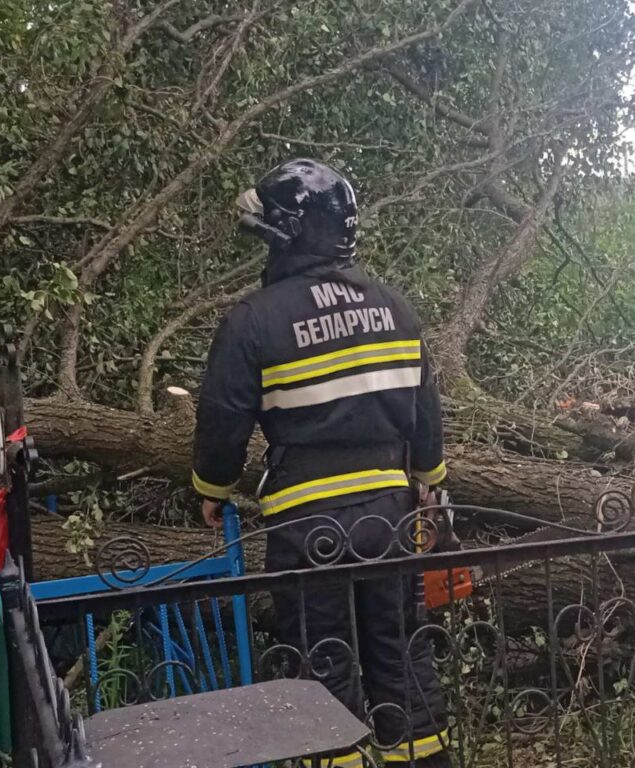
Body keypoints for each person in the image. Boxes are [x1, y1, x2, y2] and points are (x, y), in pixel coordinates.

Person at [191, 158, 451, 767]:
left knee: (322, 663)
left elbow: (223, 417)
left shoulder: (253, 320)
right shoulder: (395, 307)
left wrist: (213, 487)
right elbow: (427, 413)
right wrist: (431, 480)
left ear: (287, 233)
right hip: (390, 513)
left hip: (306, 521)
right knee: (400, 652)